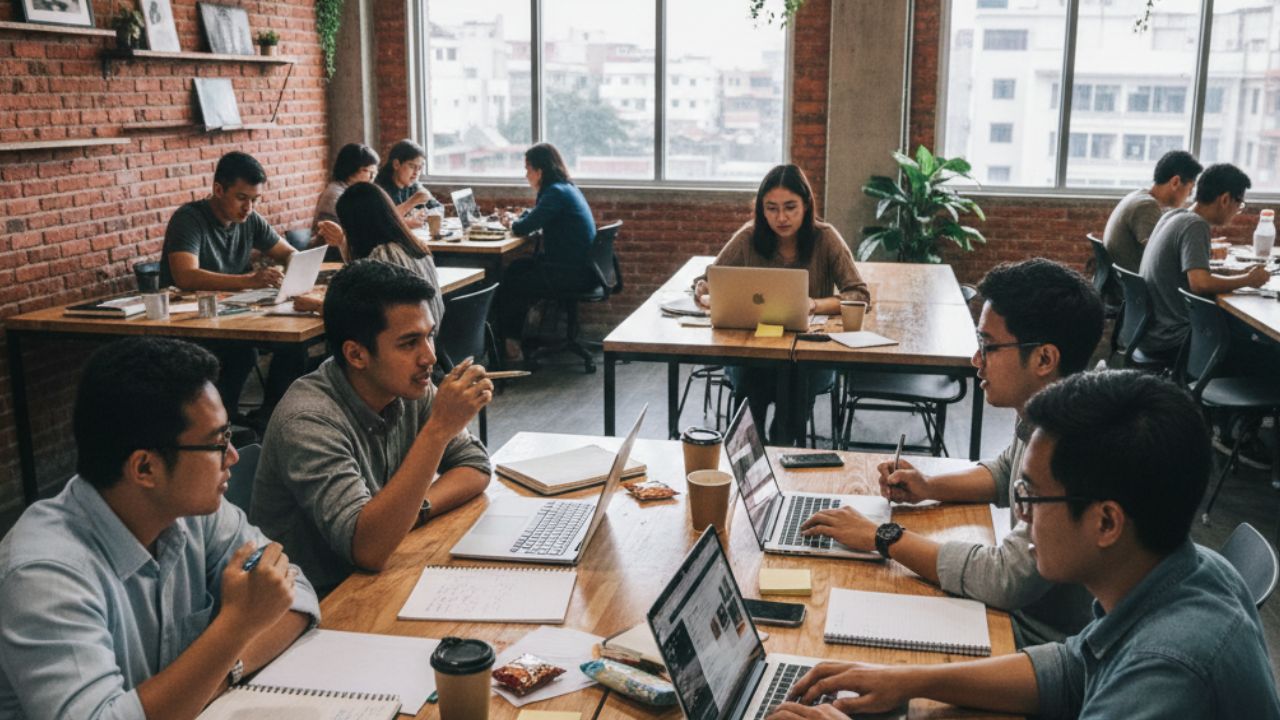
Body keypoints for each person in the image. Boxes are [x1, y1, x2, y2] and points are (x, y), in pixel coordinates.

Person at [768, 371, 1280, 720]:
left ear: (1106, 522)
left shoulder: (1168, 673)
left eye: (1031, 494)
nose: (1019, 513)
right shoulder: (1192, 570)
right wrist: (909, 681)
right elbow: (1072, 668)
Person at [0, 337, 319, 718]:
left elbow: (294, 594)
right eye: (218, 442)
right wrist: (236, 626)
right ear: (145, 468)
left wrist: (223, 670)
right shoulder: (44, 576)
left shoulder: (192, 512)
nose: (231, 456)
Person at [800, 259, 1102, 646]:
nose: (976, 360)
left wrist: (884, 537)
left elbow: (1005, 578)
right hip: (1018, 618)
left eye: (988, 347)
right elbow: (1008, 470)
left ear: (1044, 359)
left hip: (1041, 639)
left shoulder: (1070, 444)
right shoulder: (1045, 410)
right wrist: (929, 485)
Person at [250, 260, 493, 593]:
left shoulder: (408, 388)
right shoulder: (308, 420)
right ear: (356, 355)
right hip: (315, 600)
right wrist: (438, 430)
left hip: (378, 577)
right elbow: (366, 550)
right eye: (409, 343)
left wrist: (415, 511)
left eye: (429, 336)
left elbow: (475, 466)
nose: (429, 357)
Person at [691, 163, 868, 441]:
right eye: (771, 208)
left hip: (808, 355)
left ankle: (780, 449)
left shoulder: (825, 238)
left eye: (790, 207)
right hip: (753, 352)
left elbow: (858, 294)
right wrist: (704, 292)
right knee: (752, 381)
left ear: (806, 205)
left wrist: (814, 305)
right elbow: (707, 280)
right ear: (761, 209)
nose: (781, 217)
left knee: (793, 383)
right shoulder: (748, 237)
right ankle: (751, 453)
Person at [159, 151, 312, 422]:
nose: (249, 208)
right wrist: (248, 281)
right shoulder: (189, 219)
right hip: (192, 321)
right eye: (242, 198)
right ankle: (223, 420)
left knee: (293, 346)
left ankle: (270, 418)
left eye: (255, 200)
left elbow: (290, 254)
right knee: (241, 351)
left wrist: (290, 272)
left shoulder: (250, 220)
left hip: (233, 315)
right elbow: (185, 276)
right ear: (218, 189)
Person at [1138, 162, 1269, 360]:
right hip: (1173, 338)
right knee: (1264, 349)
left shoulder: (1174, 215)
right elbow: (1200, 284)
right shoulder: (1195, 225)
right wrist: (1248, 280)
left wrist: (1236, 274)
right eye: (1239, 204)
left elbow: (1192, 274)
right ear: (1225, 199)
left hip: (1150, 332)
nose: (1237, 211)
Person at [496, 143, 599, 363]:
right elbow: (538, 216)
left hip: (569, 273)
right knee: (516, 268)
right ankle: (514, 339)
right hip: (582, 269)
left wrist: (512, 222)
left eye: (527, 169)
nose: (526, 175)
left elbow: (524, 227)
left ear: (539, 171)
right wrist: (523, 217)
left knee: (511, 281)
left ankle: (511, 344)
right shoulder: (565, 188)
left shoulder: (554, 193)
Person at [1102, 150, 1202, 273]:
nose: (1190, 195)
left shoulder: (1140, 196)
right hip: (1134, 288)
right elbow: (1161, 256)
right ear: (1175, 182)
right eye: (1190, 188)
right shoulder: (1146, 206)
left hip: (1122, 282)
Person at [311, 142, 379, 235]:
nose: (372, 177)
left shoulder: (357, 191)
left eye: (374, 172)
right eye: (366, 170)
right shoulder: (335, 194)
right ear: (350, 169)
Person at [373, 139, 437, 230]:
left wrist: (425, 214)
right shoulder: (377, 187)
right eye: (412, 166)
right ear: (396, 164)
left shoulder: (414, 185)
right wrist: (412, 202)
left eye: (420, 168)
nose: (416, 173)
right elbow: (380, 221)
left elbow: (438, 208)